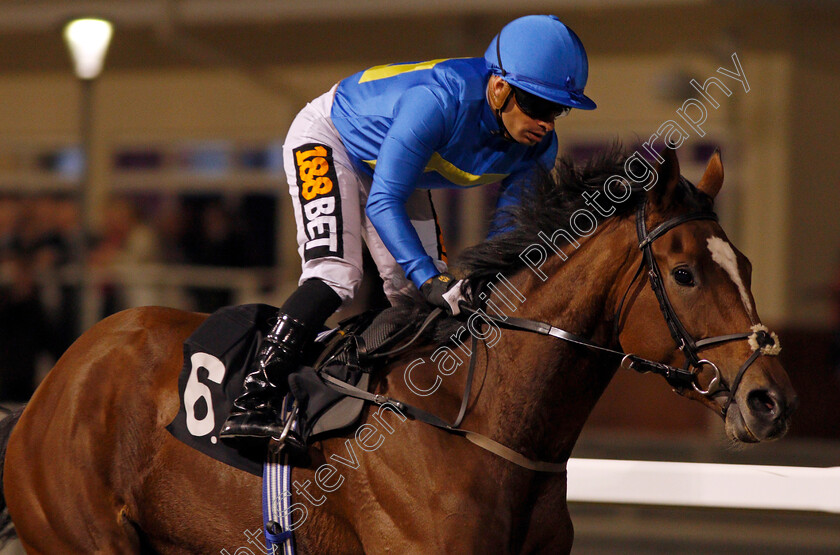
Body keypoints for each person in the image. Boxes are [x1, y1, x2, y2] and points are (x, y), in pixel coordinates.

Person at [219, 15, 597, 444]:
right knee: (337, 275)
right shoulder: (438, 99)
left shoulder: (540, 146)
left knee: (422, 299)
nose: (547, 123)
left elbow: (506, 234)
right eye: (538, 106)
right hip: (332, 139)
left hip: (397, 168)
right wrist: (431, 277)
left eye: (558, 110)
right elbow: (383, 201)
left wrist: (474, 284)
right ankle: (252, 397)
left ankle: (395, 404)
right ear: (499, 88)